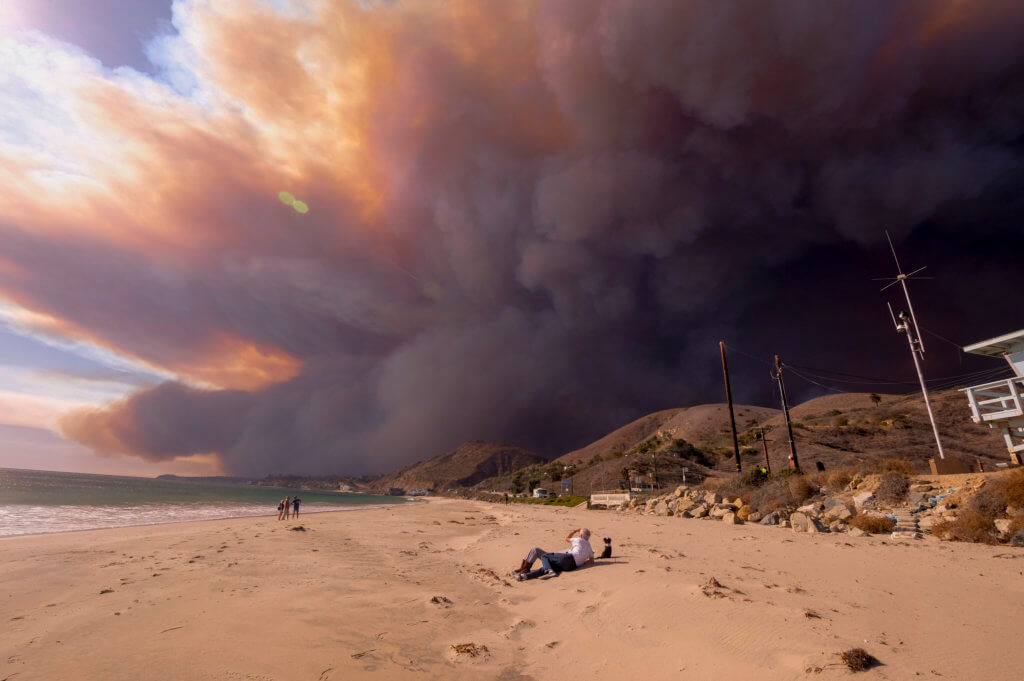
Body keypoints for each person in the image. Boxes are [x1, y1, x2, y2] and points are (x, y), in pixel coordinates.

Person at [514, 527, 594, 581]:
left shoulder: (578, 540)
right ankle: (523, 576)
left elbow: (566, 538)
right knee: (549, 565)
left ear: (580, 535)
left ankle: (526, 569)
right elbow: (591, 560)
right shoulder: (589, 546)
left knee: (544, 556)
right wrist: (582, 562)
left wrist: (574, 531)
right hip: (571, 566)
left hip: (568, 558)